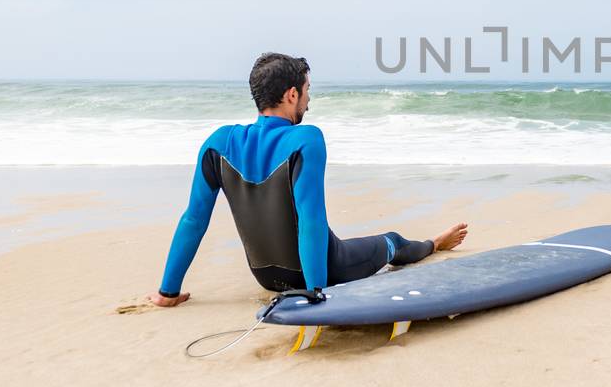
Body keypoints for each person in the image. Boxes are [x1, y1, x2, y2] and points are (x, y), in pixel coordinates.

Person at [148, 52, 467, 307]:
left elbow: (193, 220)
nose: (308, 100)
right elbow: (310, 220)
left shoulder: (218, 142)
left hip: (266, 276)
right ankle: (433, 244)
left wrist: (168, 291)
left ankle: (168, 290)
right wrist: (317, 294)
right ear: (291, 94)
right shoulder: (306, 139)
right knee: (393, 241)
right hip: (323, 271)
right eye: (307, 90)